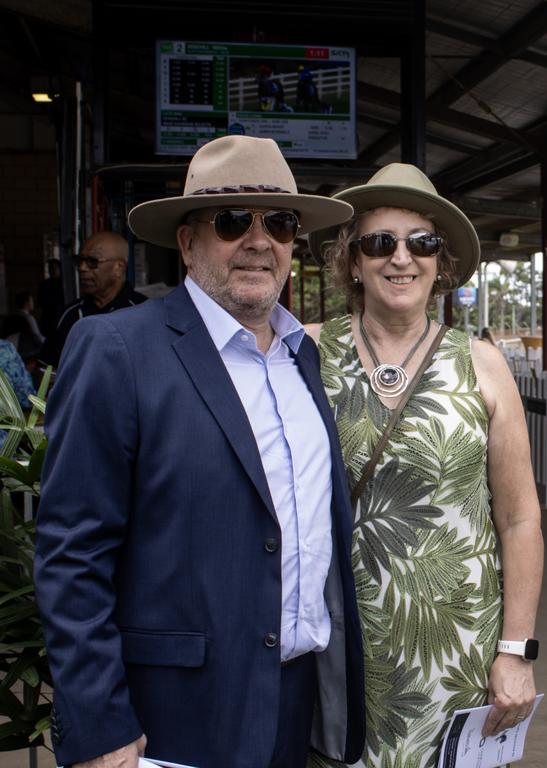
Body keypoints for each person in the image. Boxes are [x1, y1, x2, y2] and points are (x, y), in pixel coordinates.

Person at [34, 135, 365, 768]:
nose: (259, 240)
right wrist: (99, 723)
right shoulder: (117, 350)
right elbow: (72, 552)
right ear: (187, 243)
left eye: (281, 223)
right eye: (233, 221)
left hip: (295, 702)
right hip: (172, 714)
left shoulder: (304, 357)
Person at [310, 163, 543, 768]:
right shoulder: (303, 351)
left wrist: (515, 650)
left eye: (422, 243)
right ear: (352, 261)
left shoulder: (483, 363)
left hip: (458, 644)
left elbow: (519, 518)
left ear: (442, 263)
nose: (401, 258)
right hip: (335, 643)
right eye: (379, 242)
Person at [39, 231, 147, 366]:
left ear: (118, 268)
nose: (82, 268)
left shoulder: (145, 313)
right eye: (80, 261)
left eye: (92, 262)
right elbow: (47, 370)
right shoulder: (68, 315)